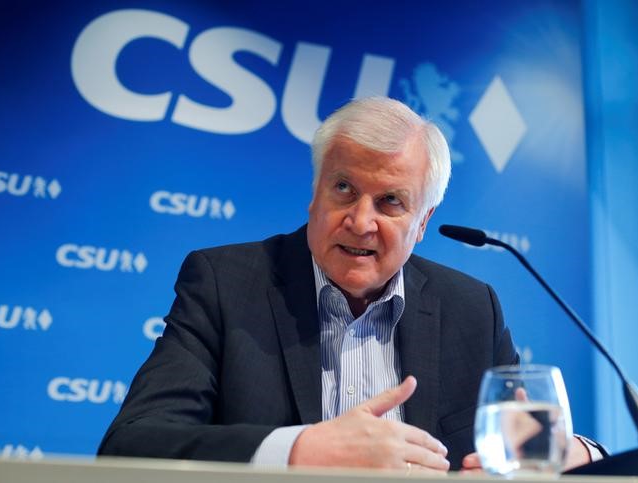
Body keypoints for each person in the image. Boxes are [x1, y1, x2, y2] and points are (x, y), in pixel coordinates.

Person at [98, 97, 595, 473]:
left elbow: (535, 446)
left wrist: (575, 453)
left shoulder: (470, 308)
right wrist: (299, 450)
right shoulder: (226, 284)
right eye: (344, 189)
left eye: (391, 202)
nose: (361, 221)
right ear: (315, 194)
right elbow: (133, 443)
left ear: (422, 223)